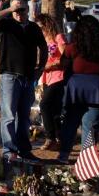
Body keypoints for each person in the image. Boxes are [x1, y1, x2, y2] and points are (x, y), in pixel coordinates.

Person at [0, 0, 47, 163]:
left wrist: (40, 69)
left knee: (24, 116)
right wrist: (8, 9)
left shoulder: (33, 28)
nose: (19, 13)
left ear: (27, 10)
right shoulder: (6, 24)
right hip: (9, 76)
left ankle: (24, 150)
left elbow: (44, 47)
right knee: (9, 116)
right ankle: (9, 151)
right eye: (16, 11)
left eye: (22, 10)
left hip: (28, 77)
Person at [55, 16, 99, 163]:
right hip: (98, 90)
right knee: (91, 126)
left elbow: (64, 65)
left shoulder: (73, 47)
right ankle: (86, 159)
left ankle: (64, 155)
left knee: (70, 122)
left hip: (75, 90)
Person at [34, 14, 68, 153]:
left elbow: (66, 57)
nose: (40, 30)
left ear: (47, 25)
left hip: (59, 76)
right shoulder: (42, 40)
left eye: (41, 27)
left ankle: (50, 138)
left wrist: (52, 65)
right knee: (54, 110)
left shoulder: (58, 37)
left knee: (44, 105)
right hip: (46, 77)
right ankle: (59, 139)